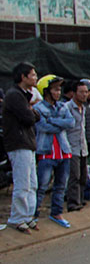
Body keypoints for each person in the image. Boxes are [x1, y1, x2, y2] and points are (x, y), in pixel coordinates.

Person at [3, 62, 41, 234]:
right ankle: (17, 218)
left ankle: (28, 216)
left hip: (28, 143)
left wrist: (31, 110)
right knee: (22, 182)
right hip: (18, 144)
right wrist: (31, 110)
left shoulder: (24, 95)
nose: (35, 77)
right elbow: (29, 118)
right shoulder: (14, 95)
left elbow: (35, 116)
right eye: (32, 75)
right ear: (23, 77)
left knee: (33, 183)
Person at [34, 75, 76, 229]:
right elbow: (42, 127)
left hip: (64, 152)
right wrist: (59, 123)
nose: (58, 92)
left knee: (60, 186)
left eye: (59, 89)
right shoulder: (38, 108)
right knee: (41, 187)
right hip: (46, 153)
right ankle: (34, 216)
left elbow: (71, 122)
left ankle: (56, 213)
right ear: (46, 91)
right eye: (55, 89)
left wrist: (52, 120)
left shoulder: (63, 106)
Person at [65, 80, 90, 212]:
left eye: (86, 92)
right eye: (81, 92)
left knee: (82, 176)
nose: (84, 95)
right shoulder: (67, 108)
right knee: (74, 176)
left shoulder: (83, 109)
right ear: (74, 93)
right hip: (71, 147)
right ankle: (72, 203)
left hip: (82, 147)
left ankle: (80, 199)